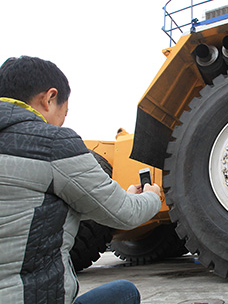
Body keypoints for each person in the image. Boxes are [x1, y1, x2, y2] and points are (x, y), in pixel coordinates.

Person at [0, 56, 162, 304]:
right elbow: (125, 214)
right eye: (64, 112)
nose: (63, 121)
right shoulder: (52, 143)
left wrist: (123, 193)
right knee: (125, 292)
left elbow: (30, 211)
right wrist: (151, 195)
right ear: (49, 98)